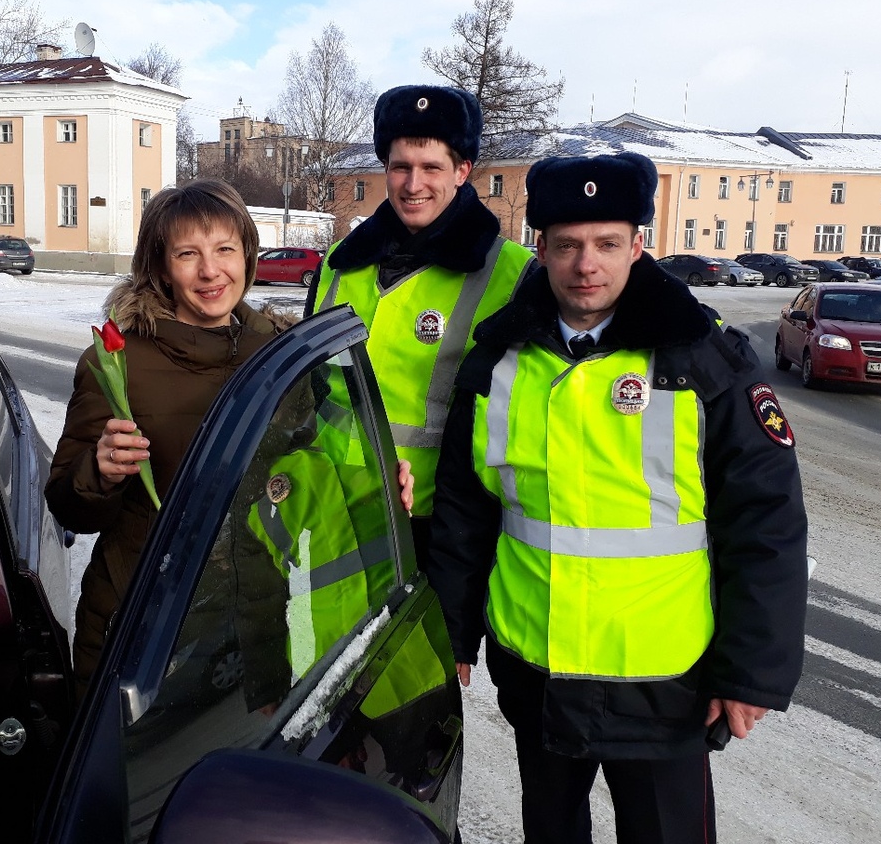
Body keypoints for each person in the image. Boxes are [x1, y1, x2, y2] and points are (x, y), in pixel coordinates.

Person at [427, 152, 809, 844]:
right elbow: (465, 509)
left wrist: (752, 670)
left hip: (664, 681)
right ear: (539, 248)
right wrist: (453, 632)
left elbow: (765, 522)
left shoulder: (702, 361)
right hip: (537, 667)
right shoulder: (498, 360)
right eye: (567, 246)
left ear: (638, 244)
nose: (586, 265)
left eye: (607, 243)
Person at [46, 179, 292, 693]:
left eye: (225, 249)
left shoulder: (276, 353)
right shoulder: (117, 363)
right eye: (188, 254)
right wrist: (101, 470)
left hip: (249, 619)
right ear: (161, 267)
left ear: (246, 255)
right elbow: (70, 507)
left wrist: (372, 478)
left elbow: (302, 466)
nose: (210, 270)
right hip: (140, 622)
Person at [307, 84, 535, 553]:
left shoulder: (513, 274)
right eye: (401, 168)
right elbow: (309, 394)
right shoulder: (336, 264)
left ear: (462, 171)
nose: (414, 185)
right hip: (332, 510)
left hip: (442, 529)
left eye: (431, 167)